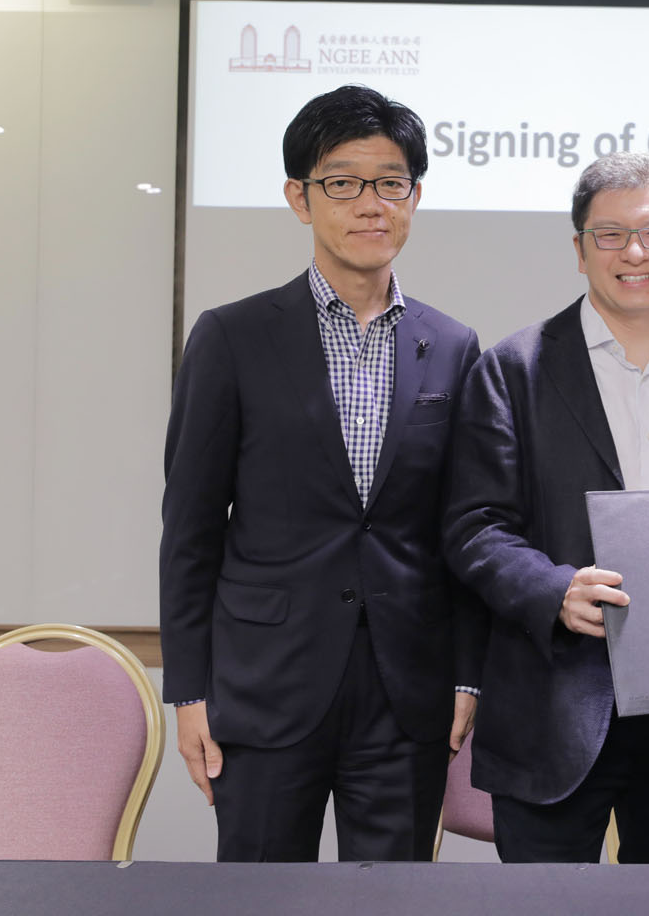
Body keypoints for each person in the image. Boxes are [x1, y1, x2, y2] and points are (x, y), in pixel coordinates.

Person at [159, 84, 485, 861]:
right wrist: (189, 691)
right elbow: (191, 532)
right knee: (260, 900)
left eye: (391, 182)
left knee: (391, 904)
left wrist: (466, 679)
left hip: (406, 691)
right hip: (265, 687)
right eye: (342, 182)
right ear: (299, 199)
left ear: (414, 196)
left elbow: (464, 528)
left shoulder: (452, 345)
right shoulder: (232, 337)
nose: (370, 203)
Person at [446, 152, 649, 863]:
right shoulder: (513, 368)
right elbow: (473, 526)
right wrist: (554, 590)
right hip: (553, 708)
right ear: (579, 251)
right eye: (609, 235)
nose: (634, 253)